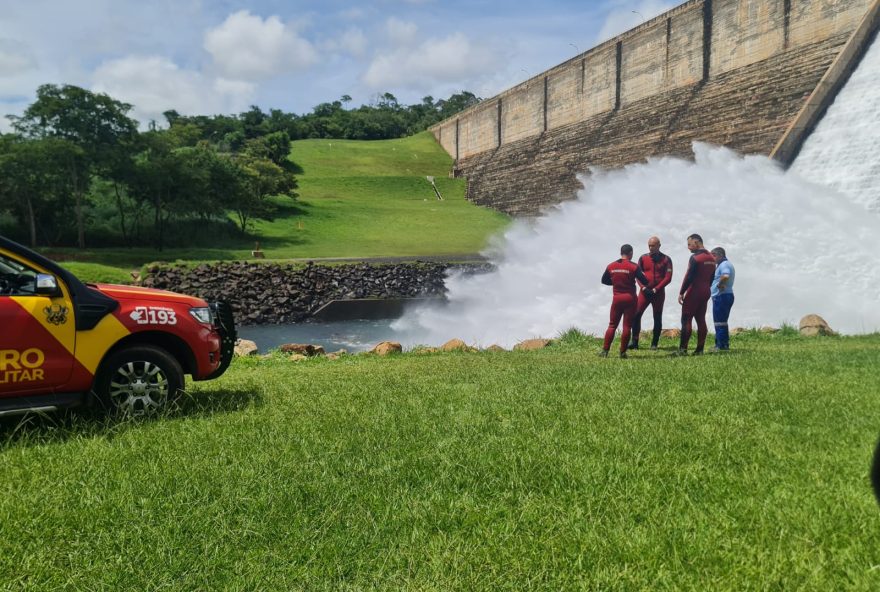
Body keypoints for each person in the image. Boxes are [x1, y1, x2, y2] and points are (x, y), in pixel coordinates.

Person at [601, 244, 651, 358]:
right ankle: (622, 352)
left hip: (617, 298)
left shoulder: (611, 266)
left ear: (621, 253)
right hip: (630, 298)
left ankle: (605, 351)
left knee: (612, 325)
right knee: (627, 326)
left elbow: (604, 280)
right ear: (631, 253)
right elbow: (645, 281)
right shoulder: (634, 266)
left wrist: (615, 282)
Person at [629, 236, 673, 350]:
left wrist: (656, 289)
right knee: (636, 315)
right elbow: (637, 274)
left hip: (658, 293)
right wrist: (643, 287)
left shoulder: (666, 259)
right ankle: (634, 342)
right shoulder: (643, 258)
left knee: (657, 317)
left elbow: (668, 278)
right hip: (644, 292)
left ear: (659, 245)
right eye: (649, 245)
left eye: (653, 245)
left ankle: (654, 344)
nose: (650, 248)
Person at [675, 234, 716, 356]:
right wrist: (706, 287)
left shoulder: (695, 258)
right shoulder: (712, 258)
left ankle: (682, 350)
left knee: (686, 318)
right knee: (701, 319)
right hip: (706, 290)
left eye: (689, 244)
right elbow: (712, 277)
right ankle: (700, 349)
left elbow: (689, 276)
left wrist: (682, 292)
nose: (688, 247)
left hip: (695, 290)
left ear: (697, 242)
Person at [710, 247, 735, 351]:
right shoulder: (724, 264)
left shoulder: (724, 265)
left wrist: (720, 285)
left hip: (721, 296)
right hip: (724, 296)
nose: (712, 260)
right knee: (722, 321)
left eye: (713, 257)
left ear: (719, 255)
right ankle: (722, 344)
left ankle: (721, 346)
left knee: (719, 322)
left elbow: (725, 276)